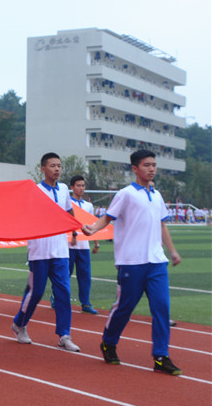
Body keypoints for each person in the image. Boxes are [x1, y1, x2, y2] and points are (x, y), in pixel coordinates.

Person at [82, 149, 182, 375]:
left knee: (162, 308)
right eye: (147, 165)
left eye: (154, 164)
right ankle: (108, 342)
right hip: (131, 262)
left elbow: (162, 225)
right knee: (124, 308)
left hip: (157, 262)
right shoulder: (125, 194)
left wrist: (173, 252)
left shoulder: (157, 195)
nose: (152, 168)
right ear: (135, 168)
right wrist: (93, 229)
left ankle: (160, 356)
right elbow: (108, 217)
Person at [11, 153, 80, 352]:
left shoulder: (64, 188)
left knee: (64, 293)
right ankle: (19, 324)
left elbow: (68, 211)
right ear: (43, 169)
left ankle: (64, 335)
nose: (57, 169)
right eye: (52, 166)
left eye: (59, 166)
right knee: (36, 292)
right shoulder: (35, 190)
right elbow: (24, 214)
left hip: (60, 250)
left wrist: (74, 230)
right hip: (39, 250)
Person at [68, 175, 99, 314]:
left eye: (83, 186)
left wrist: (96, 244)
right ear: (72, 187)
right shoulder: (68, 203)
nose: (81, 188)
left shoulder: (88, 206)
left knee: (85, 276)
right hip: (69, 245)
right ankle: (57, 298)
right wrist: (73, 235)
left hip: (83, 246)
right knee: (65, 275)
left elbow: (93, 225)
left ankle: (85, 303)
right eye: (78, 185)